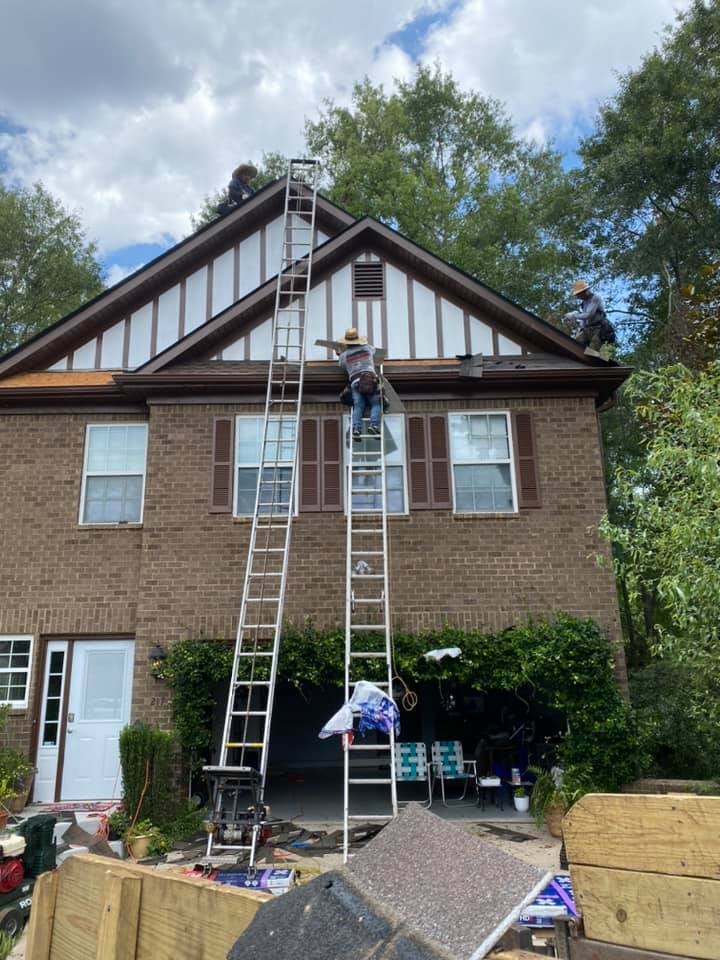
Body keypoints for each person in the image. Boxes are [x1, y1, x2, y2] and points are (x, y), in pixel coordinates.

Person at [336, 328, 381, 439]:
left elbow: (341, 364)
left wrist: (340, 353)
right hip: (369, 379)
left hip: (355, 382)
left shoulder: (344, 356)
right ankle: (374, 425)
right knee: (375, 404)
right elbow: (374, 351)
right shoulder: (367, 348)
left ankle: (356, 428)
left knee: (358, 406)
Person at [564, 280, 616, 351]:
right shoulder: (584, 303)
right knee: (575, 347)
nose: (578, 297)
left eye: (578, 294)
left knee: (594, 354)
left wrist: (574, 315)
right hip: (588, 329)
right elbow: (584, 319)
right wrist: (580, 330)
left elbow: (588, 315)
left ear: (584, 291)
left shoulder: (595, 298)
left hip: (599, 329)